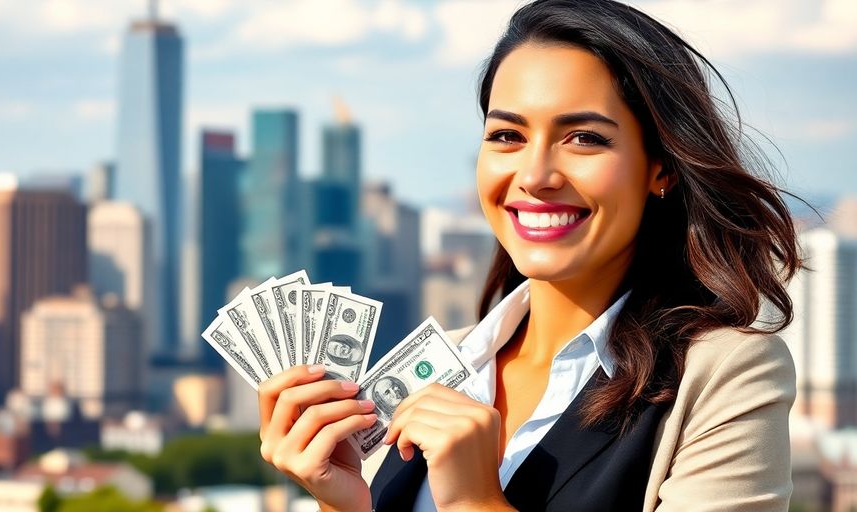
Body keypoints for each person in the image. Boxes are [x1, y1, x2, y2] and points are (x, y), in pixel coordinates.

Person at [256, 0, 800, 510]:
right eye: (507, 136)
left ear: (662, 168)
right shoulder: (440, 363)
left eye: (585, 138)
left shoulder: (725, 372)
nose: (535, 177)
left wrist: (477, 503)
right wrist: (342, 502)